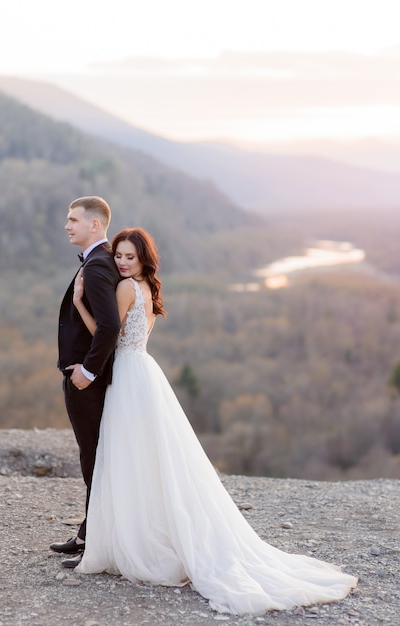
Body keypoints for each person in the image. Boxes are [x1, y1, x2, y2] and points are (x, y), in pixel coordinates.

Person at [71, 227, 357, 615]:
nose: (121, 262)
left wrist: (81, 304)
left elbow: (107, 338)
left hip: (128, 376)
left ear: (142, 261)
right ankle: (148, 532)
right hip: (144, 374)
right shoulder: (148, 290)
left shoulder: (125, 290)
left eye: (129, 257)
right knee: (150, 458)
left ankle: (139, 542)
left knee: (129, 457)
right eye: (118, 255)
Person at [50, 196, 121, 563]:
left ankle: (97, 543)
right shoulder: (100, 260)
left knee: (94, 459)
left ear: (95, 224)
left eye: (74, 219)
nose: (67, 225)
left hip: (87, 380)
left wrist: (88, 371)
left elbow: (110, 325)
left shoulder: (96, 266)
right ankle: (88, 532)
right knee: (94, 457)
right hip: (88, 376)